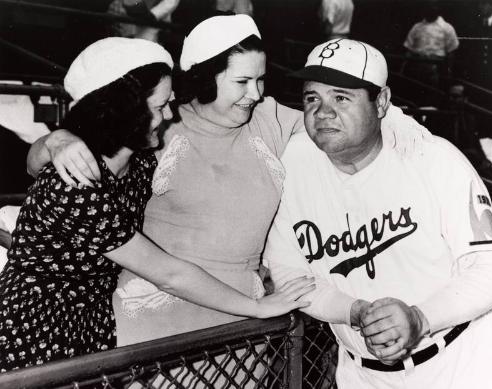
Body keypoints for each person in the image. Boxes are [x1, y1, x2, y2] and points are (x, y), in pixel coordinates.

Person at [27, 15, 429, 347]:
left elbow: (342, 119)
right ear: (205, 78)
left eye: (261, 79)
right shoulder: (160, 125)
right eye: (241, 82)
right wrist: (58, 139)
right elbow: (51, 164)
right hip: (158, 318)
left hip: (243, 321)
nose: (254, 93)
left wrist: (401, 123)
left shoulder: (268, 117)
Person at [0, 36, 314, 372]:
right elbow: (169, 274)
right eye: (159, 107)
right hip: (36, 332)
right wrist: (257, 308)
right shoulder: (77, 187)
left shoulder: (137, 161)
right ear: (123, 109)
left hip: (91, 325)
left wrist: (57, 138)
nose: (168, 117)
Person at [263, 38, 492, 389]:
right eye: (312, 98)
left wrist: (420, 319)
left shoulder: (432, 158)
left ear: (382, 102)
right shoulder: (293, 164)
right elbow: (289, 275)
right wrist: (354, 310)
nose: (322, 111)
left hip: (460, 363)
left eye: (341, 97)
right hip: (362, 375)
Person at [403, 3, 459, 89]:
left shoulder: (447, 28)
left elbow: (451, 52)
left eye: (434, 6)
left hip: (436, 68)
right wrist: (403, 69)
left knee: (432, 94)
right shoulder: (417, 27)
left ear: (438, 8)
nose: (431, 9)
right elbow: (409, 50)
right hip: (417, 66)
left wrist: (448, 73)